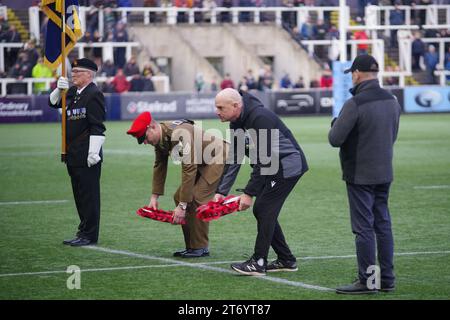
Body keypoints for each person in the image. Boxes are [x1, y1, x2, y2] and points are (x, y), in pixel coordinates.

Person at [214, 88, 308, 276]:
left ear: (235, 105)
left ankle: (258, 262)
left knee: (264, 209)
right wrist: (221, 192)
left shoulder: (260, 117)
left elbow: (265, 159)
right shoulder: (236, 121)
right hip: (272, 165)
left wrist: (249, 193)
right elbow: (235, 157)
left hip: (287, 165)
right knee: (264, 210)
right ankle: (286, 260)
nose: (217, 111)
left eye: (220, 107)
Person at [329, 54, 400, 294]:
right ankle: (387, 279)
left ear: (357, 73)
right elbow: (393, 134)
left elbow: (335, 138)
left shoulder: (355, 103)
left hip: (360, 173)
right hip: (384, 170)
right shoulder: (392, 99)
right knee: (383, 224)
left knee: (363, 228)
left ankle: (368, 281)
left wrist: (335, 122)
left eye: (352, 73)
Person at [126, 112, 228, 258]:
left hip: (218, 156)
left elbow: (189, 168)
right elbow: (159, 165)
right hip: (202, 161)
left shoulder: (179, 133)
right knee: (179, 197)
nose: (145, 142)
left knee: (197, 197)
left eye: (145, 137)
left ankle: (200, 247)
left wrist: (182, 206)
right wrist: (154, 197)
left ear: (153, 127)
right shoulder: (160, 137)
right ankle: (192, 246)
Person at [48, 58, 106, 247]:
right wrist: (58, 89)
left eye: (78, 72)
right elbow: (53, 103)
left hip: (87, 155)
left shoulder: (94, 94)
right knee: (79, 196)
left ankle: (89, 234)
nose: (73, 75)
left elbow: (97, 126)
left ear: (89, 74)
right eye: (73, 72)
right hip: (72, 153)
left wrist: (93, 153)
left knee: (89, 196)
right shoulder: (73, 92)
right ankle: (82, 231)